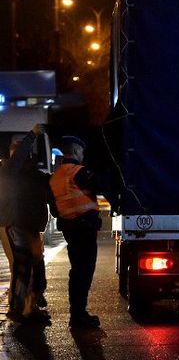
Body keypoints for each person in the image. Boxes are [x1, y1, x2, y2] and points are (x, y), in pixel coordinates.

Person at [0, 124, 52, 323]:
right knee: (23, 267)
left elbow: (48, 191)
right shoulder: (9, 170)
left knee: (35, 265)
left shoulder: (33, 176)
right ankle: (18, 308)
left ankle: (32, 303)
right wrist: (33, 134)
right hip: (18, 224)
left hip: (29, 227)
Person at [49, 136, 102, 328]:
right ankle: (79, 316)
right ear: (77, 151)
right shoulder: (79, 172)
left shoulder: (55, 177)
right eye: (82, 152)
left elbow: (55, 208)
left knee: (77, 271)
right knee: (84, 272)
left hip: (70, 230)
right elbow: (99, 186)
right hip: (84, 229)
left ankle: (77, 313)